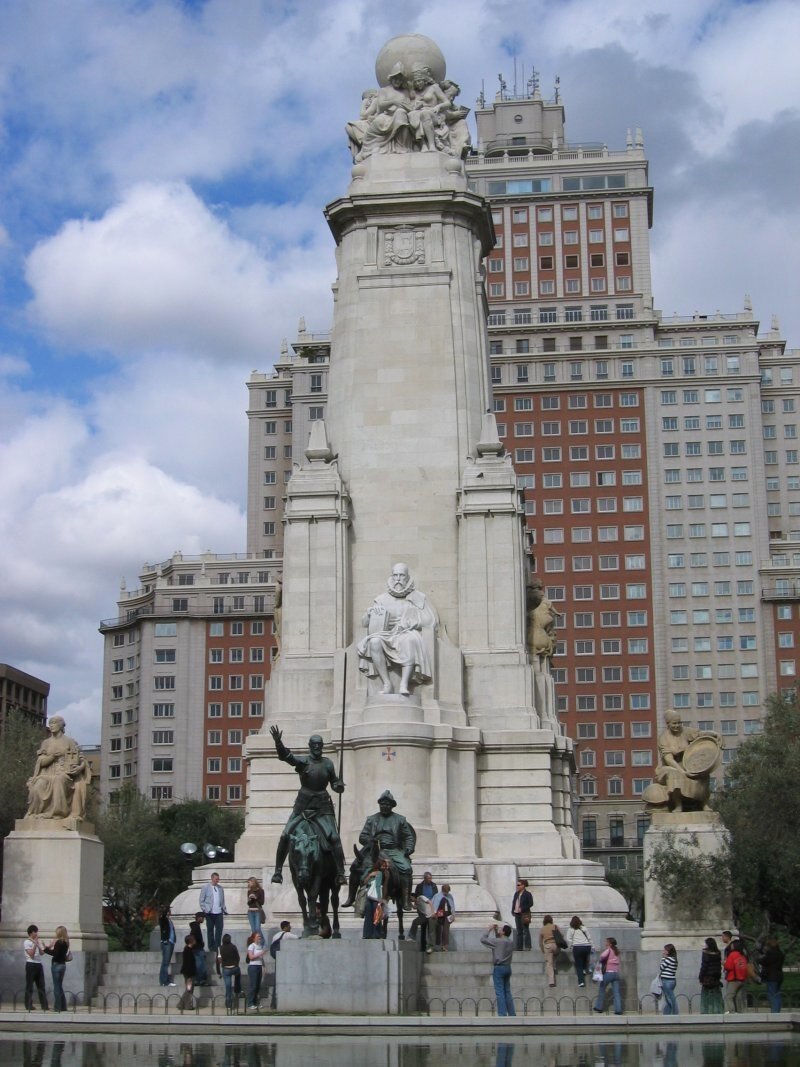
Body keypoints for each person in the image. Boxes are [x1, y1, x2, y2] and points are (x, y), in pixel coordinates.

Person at [269, 726, 347, 887]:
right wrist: (278, 743)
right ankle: (278, 871)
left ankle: (340, 872)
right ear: (310, 746)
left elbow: (334, 783)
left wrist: (338, 786)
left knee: (334, 838)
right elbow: (286, 757)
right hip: (303, 805)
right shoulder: (303, 761)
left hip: (323, 806)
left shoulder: (328, 764)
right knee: (285, 835)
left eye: (320, 746)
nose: (317, 748)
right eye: (314, 745)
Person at [357, 563, 437, 696]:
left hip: (406, 632)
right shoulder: (381, 599)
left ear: (407, 577)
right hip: (386, 633)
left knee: (410, 640)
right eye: (395, 575)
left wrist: (413, 622)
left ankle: (404, 684)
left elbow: (431, 621)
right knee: (374, 642)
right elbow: (364, 624)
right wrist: (370, 613)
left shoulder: (418, 597)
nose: (398, 579)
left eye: (401, 575)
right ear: (392, 577)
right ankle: (387, 683)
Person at [357, 790, 416, 908]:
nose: (384, 806)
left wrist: (408, 848)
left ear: (392, 806)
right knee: (359, 869)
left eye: (387, 804)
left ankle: (406, 899)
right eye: (382, 804)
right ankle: (357, 899)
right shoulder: (371, 819)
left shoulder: (400, 819)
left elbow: (409, 836)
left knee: (407, 868)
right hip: (376, 850)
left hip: (394, 850)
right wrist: (371, 841)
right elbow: (362, 837)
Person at [25, 716, 91, 822]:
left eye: (54, 723)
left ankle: (58, 813)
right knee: (38, 784)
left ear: (61, 725)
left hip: (64, 772)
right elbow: (40, 762)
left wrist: (80, 768)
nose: (51, 725)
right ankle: (36, 812)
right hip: (48, 772)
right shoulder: (45, 743)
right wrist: (52, 757)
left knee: (58, 780)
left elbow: (81, 759)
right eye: (50, 723)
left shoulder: (69, 741)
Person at [654, 711, 720, 812]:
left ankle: (704, 804)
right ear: (668, 724)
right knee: (674, 774)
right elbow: (668, 759)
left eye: (679, 723)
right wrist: (682, 771)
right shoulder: (663, 738)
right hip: (672, 766)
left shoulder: (685, 731)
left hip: (688, 763)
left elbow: (699, 734)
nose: (677, 725)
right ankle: (678, 805)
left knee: (703, 773)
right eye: (674, 723)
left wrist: (714, 733)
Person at [481, 922, 515, 1017]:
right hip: (508, 967)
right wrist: (496, 931)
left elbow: (483, 940)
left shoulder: (497, 942)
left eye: (501, 929)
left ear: (503, 932)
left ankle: (502, 1014)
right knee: (507, 991)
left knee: (499, 992)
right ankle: (512, 1013)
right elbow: (500, 941)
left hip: (499, 968)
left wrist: (489, 929)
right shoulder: (511, 942)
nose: (499, 930)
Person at [269, 920, 299, 1009]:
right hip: (284, 960)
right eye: (289, 926)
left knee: (276, 981)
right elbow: (298, 938)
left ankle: (273, 1003)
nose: (291, 927)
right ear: (285, 927)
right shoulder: (287, 934)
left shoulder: (275, 936)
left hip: (277, 959)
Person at [43, 926, 70, 1012]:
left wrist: (46, 949)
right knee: (59, 986)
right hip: (63, 965)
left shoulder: (59, 942)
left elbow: (55, 954)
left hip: (56, 965)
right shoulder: (66, 943)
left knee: (56, 987)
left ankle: (57, 1007)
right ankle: (63, 1006)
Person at [593, 937, 623, 1015]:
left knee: (602, 989)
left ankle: (599, 1007)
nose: (605, 943)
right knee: (616, 992)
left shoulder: (609, 950)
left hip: (608, 973)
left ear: (610, 944)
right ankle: (618, 1009)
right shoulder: (616, 951)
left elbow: (602, 957)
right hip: (615, 973)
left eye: (606, 942)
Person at [199, 872, 227, 952]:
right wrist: (204, 909)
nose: (217, 881)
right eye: (216, 879)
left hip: (219, 912)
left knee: (219, 929)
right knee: (210, 930)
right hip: (209, 912)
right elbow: (202, 899)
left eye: (218, 879)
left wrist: (224, 909)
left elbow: (222, 900)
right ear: (212, 878)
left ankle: (217, 946)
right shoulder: (206, 887)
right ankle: (211, 946)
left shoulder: (220, 888)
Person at [362, 860, 389, 940]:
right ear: (379, 866)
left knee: (371, 916)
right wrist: (379, 898)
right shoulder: (377, 873)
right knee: (375, 916)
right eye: (383, 866)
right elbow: (372, 884)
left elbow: (373, 885)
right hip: (373, 897)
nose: (384, 867)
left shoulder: (376, 873)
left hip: (371, 897)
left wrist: (370, 875)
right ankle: (374, 934)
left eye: (385, 866)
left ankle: (369, 934)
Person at [23, 925, 48, 1011]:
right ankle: (28, 1005)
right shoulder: (27, 942)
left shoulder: (38, 941)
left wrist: (42, 946)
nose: (36, 933)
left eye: (37, 931)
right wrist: (34, 944)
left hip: (38, 964)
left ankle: (44, 1005)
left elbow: (41, 953)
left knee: (41, 985)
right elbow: (31, 954)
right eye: (35, 932)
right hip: (31, 964)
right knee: (29, 986)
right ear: (31, 933)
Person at [699, 936, 724, 1014]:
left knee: (706, 996)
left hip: (707, 978)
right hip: (716, 978)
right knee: (716, 996)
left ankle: (706, 1011)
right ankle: (717, 1010)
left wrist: (700, 977)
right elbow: (719, 966)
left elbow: (704, 966)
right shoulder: (718, 953)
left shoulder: (705, 953)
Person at [216, 933, 241, 1013]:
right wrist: (236, 964)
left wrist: (218, 972)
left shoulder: (220, 948)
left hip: (226, 969)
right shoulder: (233, 947)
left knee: (228, 988)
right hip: (234, 967)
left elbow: (218, 961)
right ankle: (237, 989)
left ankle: (228, 1005)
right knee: (238, 973)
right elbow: (238, 957)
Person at [760, 937, 785, 1013]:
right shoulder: (780, 953)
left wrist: (759, 959)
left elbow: (764, 961)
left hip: (771, 976)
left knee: (771, 994)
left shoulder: (770, 954)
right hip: (779, 976)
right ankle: (777, 1010)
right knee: (777, 993)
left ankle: (775, 1012)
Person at [723, 937, 748, 1013]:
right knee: (738, 997)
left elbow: (729, 966)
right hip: (741, 979)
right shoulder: (742, 955)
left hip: (733, 979)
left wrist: (724, 963)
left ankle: (732, 1011)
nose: (731, 946)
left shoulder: (732, 955)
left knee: (729, 997)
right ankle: (740, 1012)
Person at [568, 916, 592, 988]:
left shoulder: (570, 929)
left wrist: (570, 946)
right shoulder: (584, 928)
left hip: (577, 947)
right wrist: (592, 946)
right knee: (585, 957)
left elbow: (569, 939)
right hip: (587, 946)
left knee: (578, 965)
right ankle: (584, 969)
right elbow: (589, 937)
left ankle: (581, 982)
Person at [538, 914, 560, 988]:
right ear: (551, 920)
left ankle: (551, 982)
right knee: (555, 955)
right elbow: (561, 935)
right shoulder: (555, 926)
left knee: (549, 964)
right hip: (556, 946)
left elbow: (540, 942)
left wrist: (543, 950)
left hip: (547, 946)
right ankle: (554, 965)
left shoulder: (542, 929)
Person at [511, 879, 533, 951]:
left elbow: (531, 903)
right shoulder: (516, 893)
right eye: (517, 885)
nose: (517, 886)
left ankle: (527, 946)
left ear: (523, 886)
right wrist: (513, 910)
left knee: (525, 930)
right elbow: (514, 902)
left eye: (519, 885)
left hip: (524, 914)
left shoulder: (528, 894)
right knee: (519, 931)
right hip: (517, 913)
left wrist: (522, 908)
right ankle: (519, 947)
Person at [246, 931, 266, 1010]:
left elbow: (261, 958)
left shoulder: (260, 945)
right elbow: (251, 957)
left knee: (257, 986)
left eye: (260, 937)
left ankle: (256, 1002)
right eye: (258, 937)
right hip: (253, 967)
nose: (259, 938)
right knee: (253, 985)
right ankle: (250, 1003)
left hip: (259, 966)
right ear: (254, 938)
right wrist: (261, 953)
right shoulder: (251, 946)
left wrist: (264, 966)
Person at [431, 884, 455, 951]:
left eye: (448, 891)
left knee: (446, 931)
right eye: (446, 891)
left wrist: (453, 915)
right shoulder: (437, 896)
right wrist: (434, 914)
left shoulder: (450, 896)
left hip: (447, 914)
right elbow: (434, 905)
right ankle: (436, 946)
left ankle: (444, 946)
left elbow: (452, 906)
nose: (447, 893)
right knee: (438, 929)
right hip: (439, 913)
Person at [158, 905, 177, 987]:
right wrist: (164, 911)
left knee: (166, 962)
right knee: (165, 963)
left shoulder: (169, 920)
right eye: (169, 911)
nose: (170, 912)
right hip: (167, 943)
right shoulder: (163, 919)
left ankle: (165, 980)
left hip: (171, 942)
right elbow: (162, 920)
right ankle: (164, 981)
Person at [189, 913, 208, 985]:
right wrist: (199, 943)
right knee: (200, 965)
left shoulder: (196, 926)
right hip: (198, 948)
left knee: (200, 964)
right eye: (202, 917)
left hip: (198, 948)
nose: (203, 919)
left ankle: (199, 979)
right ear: (198, 918)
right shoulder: (196, 926)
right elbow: (192, 936)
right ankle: (201, 980)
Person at [660, 943, 679, 1015]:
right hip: (672, 980)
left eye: (665, 950)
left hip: (666, 980)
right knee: (668, 998)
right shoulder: (674, 959)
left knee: (670, 998)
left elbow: (661, 967)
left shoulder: (668, 959)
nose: (663, 951)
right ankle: (666, 1014)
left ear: (668, 951)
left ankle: (675, 1013)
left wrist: (663, 958)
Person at [179, 935, 196, 1009]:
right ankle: (186, 1005)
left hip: (188, 972)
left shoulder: (188, 949)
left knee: (189, 989)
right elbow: (188, 963)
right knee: (189, 989)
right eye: (193, 939)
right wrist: (189, 976)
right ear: (191, 941)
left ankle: (182, 1004)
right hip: (189, 973)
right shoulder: (188, 950)